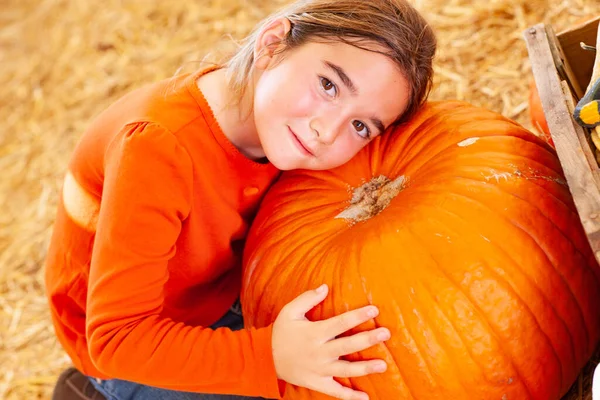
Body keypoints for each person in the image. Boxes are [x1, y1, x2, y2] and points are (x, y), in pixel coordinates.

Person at [45, 1, 436, 399]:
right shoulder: (158, 149)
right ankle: (89, 393)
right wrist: (268, 356)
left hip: (223, 290)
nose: (327, 131)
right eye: (329, 85)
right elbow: (116, 341)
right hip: (136, 350)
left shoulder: (282, 126)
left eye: (360, 125)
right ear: (271, 45)